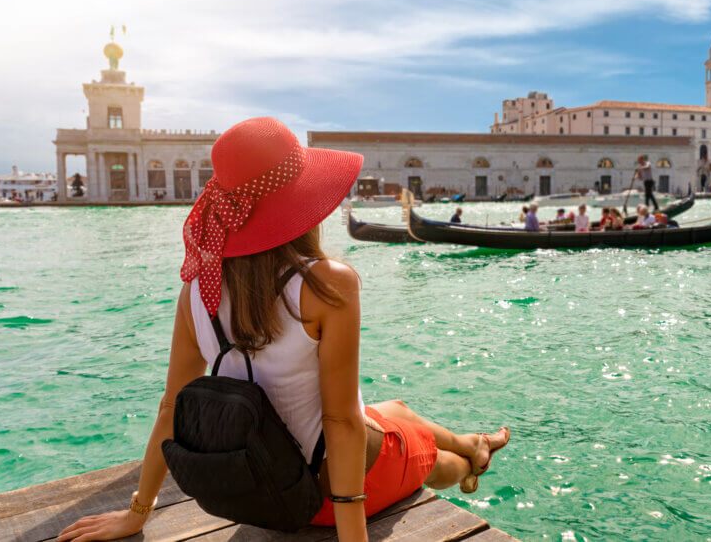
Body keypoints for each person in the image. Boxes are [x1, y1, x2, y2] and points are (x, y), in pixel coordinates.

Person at [57, 118, 509, 542]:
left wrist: (137, 512)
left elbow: (170, 406)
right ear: (300, 204)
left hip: (258, 488)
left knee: (397, 409)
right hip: (320, 497)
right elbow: (341, 423)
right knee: (428, 453)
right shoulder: (327, 283)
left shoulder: (196, 290)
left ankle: (474, 441)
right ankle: (469, 461)